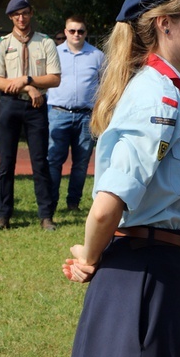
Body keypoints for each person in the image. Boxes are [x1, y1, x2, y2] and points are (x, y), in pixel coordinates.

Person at [59, 0, 180, 357]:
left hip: (150, 267)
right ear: (165, 24)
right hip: (141, 273)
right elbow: (109, 204)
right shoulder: (158, 96)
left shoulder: (165, 87)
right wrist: (87, 257)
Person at [0, 0, 61, 231]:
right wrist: (27, 86)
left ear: (31, 14)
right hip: (10, 104)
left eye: (25, 13)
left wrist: (29, 79)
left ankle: (46, 215)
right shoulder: (2, 44)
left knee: (40, 162)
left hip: (36, 107)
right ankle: (2, 215)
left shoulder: (46, 43)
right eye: (16, 14)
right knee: (5, 163)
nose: (21, 18)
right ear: (10, 17)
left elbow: (55, 78)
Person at [47, 15, 104, 212]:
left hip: (86, 116)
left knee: (81, 163)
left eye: (80, 31)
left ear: (86, 33)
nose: (76, 34)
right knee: (53, 160)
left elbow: (104, 85)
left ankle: (73, 203)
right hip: (57, 114)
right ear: (65, 32)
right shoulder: (53, 54)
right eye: (72, 31)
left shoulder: (97, 56)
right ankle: (51, 203)